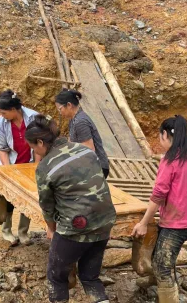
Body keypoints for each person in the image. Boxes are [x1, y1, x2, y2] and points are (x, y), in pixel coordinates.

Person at [25, 114, 117, 303]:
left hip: (77, 226)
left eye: (33, 146)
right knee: (90, 277)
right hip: (105, 221)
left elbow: (47, 205)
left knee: (56, 276)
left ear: (40, 142)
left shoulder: (45, 168)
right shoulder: (84, 151)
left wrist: (51, 228)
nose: (33, 150)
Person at [131, 115, 187, 303]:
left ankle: (167, 295)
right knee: (163, 255)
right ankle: (160, 284)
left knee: (161, 264)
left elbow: (159, 194)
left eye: (160, 137)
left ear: (165, 134)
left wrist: (144, 223)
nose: (160, 141)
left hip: (176, 223)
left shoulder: (170, 161)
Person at [0, 89, 40, 245]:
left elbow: (38, 145)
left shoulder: (34, 117)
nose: (1, 116)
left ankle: (23, 232)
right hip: (11, 164)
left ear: (14, 110)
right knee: (8, 198)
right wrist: (8, 171)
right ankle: (6, 231)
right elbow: (2, 148)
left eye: (3, 112)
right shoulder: (1, 122)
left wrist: (37, 166)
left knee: (26, 198)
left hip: (29, 163)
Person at [55, 89, 110, 178]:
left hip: (97, 166)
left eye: (60, 109)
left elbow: (89, 148)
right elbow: (70, 141)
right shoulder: (73, 119)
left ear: (69, 105)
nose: (60, 113)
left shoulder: (80, 122)